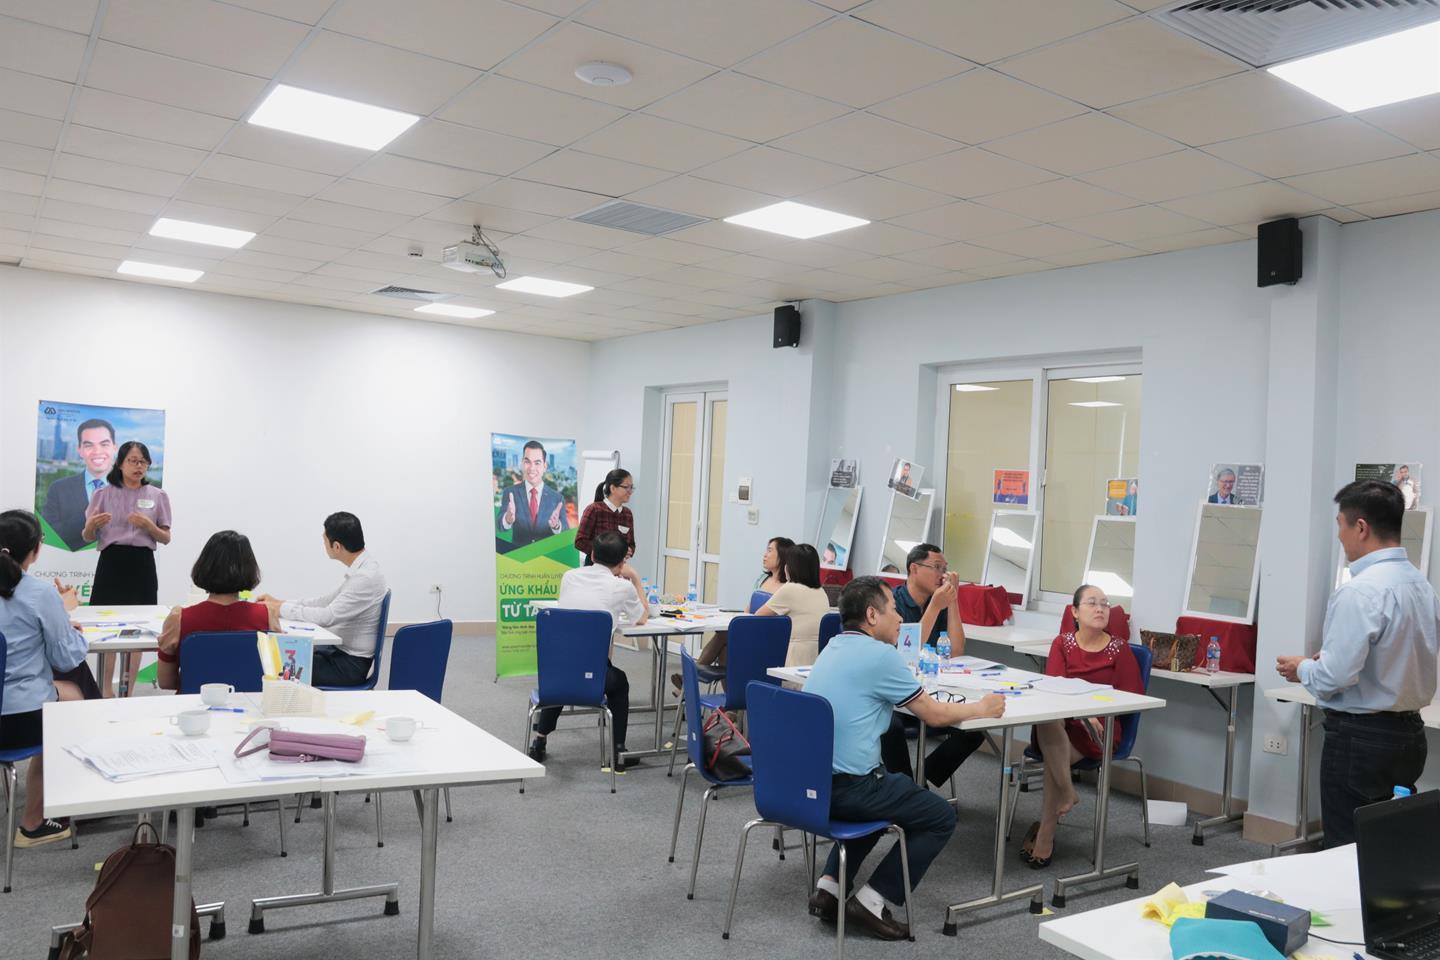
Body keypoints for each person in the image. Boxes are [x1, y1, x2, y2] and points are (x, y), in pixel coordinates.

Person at [802, 577, 1005, 940]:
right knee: (940, 817)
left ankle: (829, 888)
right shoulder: (880, 656)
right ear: (871, 615)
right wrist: (982, 707)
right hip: (850, 788)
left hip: (812, 784)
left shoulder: (834, 646)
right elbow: (934, 715)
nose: (899, 618)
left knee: (889, 791)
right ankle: (872, 900)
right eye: (893, 610)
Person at [1276, 480, 1439, 847]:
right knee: (1390, 845)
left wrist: (1302, 668)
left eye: (1340, 525)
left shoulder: (1359, 591)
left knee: (1347, 848)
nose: (1339, 536)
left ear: (1361, 527)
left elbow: (1333, 677)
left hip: (1361, 739)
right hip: (1410, 735)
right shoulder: (1421, 586)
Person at [1020, 584, 1144, 867]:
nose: (1100, 608)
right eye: (1092, 603)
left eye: (1105, 603)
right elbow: (1054, 690)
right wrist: (1081, 714)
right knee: (1050, 722)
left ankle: (1046, 836)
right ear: (1075, 612)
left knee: (1055, 758)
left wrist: (1093, 714)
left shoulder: (1119, 649)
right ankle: (1067, 793)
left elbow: (1132, 699)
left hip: (1100, 731)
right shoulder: (1062, 643)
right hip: (1063, 723)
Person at [0, 510, 90, 846]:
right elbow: (65, 657)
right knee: (72, 698)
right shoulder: (39, 593)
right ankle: (33, 822)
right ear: (36, 549)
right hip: (20, 720)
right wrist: (68, 627)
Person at [529, 531, 648, 769]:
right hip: (593, 677)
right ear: (621, 563)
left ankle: (539, 741)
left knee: (564, 677)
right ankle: (618, 751)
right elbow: (642, 617)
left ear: (592, 554)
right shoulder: (622, 587)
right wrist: (634, 577)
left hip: (555, 673)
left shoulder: (569, 577)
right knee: (619, 681)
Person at [882, 543, 979, 789]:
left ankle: (920, 779)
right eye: (936, 567)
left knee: (976, 728)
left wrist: (952, 602)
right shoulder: (893, 603)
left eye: (945, 569)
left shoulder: (940, 601)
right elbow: (905, 655)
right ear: (914, 569)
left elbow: (955, 651)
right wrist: (936, 606)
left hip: (932, 690)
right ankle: (905, 789)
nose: (942, 575)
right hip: (899, 695)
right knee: (890, 726)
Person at [258, 512, 388, 687]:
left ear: (336, 546)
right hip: (339, 654)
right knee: (280, 656)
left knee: (276, 666)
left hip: (349, 665)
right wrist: (280, 603)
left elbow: (327, 616)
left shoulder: (364, 578)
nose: (324, 544)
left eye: (324, 540)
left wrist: (279, 609)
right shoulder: (363, 569)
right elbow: (325, 601)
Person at [83, 440, 171, 697]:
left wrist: (148, 526)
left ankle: (127, 691)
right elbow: (86, 535)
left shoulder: (157, 496)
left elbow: (165, 538)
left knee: (138, 629)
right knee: (107, 627)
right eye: (133, 461)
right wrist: (92, 526)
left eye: (143, 462)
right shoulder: (103, 494)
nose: (138, 466)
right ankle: (105, 690)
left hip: (142, 564)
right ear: (120, 464)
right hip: (111, 562)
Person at [156, 531, 278, 691]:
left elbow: (166, 682)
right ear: (250, 568)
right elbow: (277, 675)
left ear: (204, 566)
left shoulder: (179, 618)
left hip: (195, 704)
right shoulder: (267, 615)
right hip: (251, 704)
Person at [673, 536, 793, 691]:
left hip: (766, 638)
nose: (765, 554)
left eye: (770, 551)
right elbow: (748, 609)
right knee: (725, 650)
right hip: (751, 630)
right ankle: (730, 703)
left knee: (724, 635)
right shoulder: (762, 579)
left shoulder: (786, 587)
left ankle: (688, 677)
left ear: (782, 555)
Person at [41, 418, 116, 551]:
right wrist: (86, 517)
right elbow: (48, 535)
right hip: (71, 561)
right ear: (80, 450)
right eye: (88, 445)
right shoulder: (58, 489)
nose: (97, 451)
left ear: (114, 448)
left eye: (104, 444)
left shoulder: (132, 490)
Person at [757, 543, 830, 667]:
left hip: (794, 658)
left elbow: (758, 617)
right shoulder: (821, 592)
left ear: (791, 567)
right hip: (818, 660)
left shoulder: (790, 589)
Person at [498, 441, 569, 551]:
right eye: (527, 462)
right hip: (518, 557)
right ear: (522, 463)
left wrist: (556, 525)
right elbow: (500, 526)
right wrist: (507, 519)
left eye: (537, 463)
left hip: (546, 558)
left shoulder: (557, 498)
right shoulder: (510, 493)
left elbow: (565, 531)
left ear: (545, 466)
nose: (532, 468)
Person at [574, 468, 635, 565]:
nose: (630, 491)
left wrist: (629, 550)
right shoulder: (594, 509)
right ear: (613, 488)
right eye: (626, 487)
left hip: (619, 569)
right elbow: (580, 541)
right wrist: (606, 552)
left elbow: (631, 544)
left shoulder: (627, 513)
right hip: (594, 568)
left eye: (631, 487)